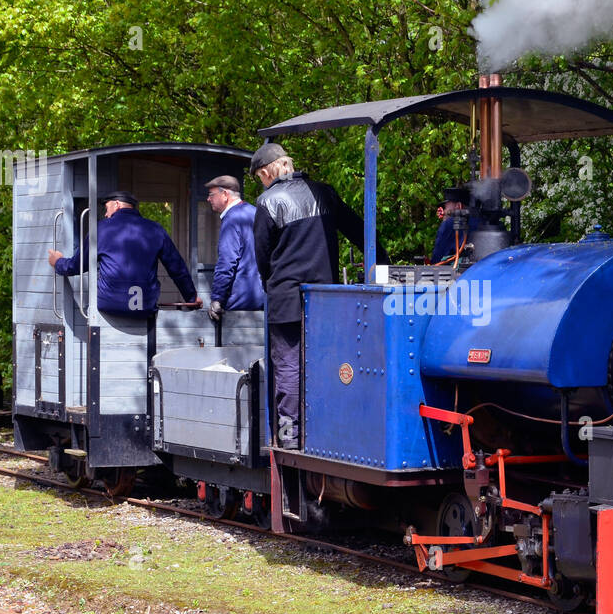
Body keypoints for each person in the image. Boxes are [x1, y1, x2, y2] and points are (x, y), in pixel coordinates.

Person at [250, 142, 385, 448]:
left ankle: (288, 437)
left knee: (287, 368)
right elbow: (362, 231)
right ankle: (327, 431)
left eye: (260, 177)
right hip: (327, 300)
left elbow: (262, 257)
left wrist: (270, 286)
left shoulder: (268, 202)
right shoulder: (324, 193)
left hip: (285, 299)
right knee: (327, 365)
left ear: (268, 171)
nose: (262, 183)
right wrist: (382, 265)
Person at [47, 191, 201, 316]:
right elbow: (177, 268)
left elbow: (77, 266)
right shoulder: (155, 229)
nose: (106, 214)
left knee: (88, 307)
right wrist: (191, 297)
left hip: (110, 305)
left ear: (117, 204)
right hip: (145, 306)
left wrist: (58, 262)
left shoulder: (100, 228)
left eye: (107, 208)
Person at [204, 175, 265, 321]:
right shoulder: (256, 213)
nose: (208, 199)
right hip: (264, 299)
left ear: (224, 194)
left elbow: (227, 262)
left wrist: (217, 298)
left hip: (240, 303)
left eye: (211, 195)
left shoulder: (232, 219)